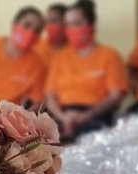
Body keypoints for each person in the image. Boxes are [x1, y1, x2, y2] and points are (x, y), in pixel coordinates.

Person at [45, 0, 128, 140]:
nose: (71, 29)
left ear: (91, 25)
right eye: (67, 24)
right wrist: (64, 118)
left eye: (76, 23)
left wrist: (85, 116)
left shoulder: (109, 56)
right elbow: (50, 97)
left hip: (96, 116)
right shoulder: (59, 58)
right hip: (62, 116)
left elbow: (115, 96)